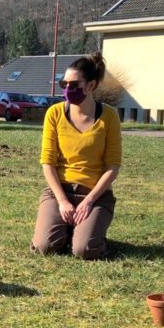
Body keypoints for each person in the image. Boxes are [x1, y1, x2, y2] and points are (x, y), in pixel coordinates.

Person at [31, 52, 122, 259]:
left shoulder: (109, 116)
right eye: (65, 84)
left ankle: (87, 233)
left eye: (74, 84)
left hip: (94, 195)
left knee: (85, 250)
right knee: (45, 246)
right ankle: (69, 229)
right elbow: (48, 162)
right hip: (60, 192)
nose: (68, 89)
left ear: (91, 86)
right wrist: (63, 201)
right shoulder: (54, 113)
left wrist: (89, 201)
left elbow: (113, 166)